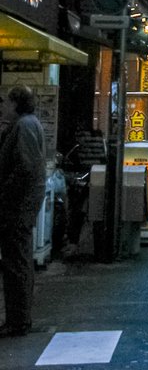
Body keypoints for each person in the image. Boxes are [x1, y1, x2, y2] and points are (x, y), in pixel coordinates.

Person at [0, 86, 46, 336]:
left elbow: (25, 168)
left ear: (16, 103)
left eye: (6, 102)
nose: (3, 106)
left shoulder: (25, 126)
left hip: (18, 206)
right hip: (21, 205)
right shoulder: (28, 124)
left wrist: (6, 192)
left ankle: (17, 320)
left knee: (16, 261)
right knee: (18, 259)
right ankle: (18, 318)